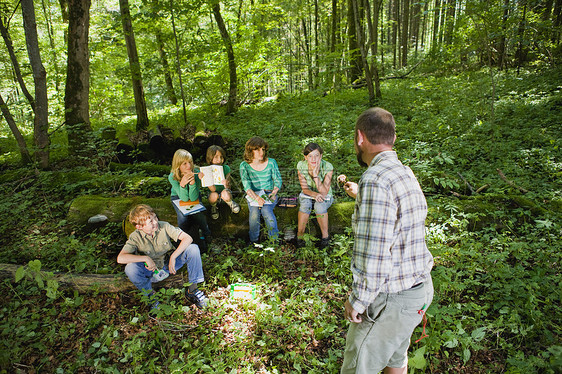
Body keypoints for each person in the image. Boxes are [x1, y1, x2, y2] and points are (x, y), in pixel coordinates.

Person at [340, 108, 434, 374]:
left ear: (360, 137)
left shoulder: (375, 180)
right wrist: (362, 195)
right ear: (392, 137)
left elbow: (375, 256)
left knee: (358, 368)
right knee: (395, 360)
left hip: (392, 300)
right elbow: (399, 220)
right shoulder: (403, 172)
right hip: (419, 291)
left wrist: (357, 300)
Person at [117, 204, 208, 309]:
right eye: (150, 221)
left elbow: (188, 238)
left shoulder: (164, 226)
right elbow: (120, 258)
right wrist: (145, 258)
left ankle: (192, 290)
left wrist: (173, 256)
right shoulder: (135, 237)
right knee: (130, 268)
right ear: (139, 226)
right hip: (152, 271)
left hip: (169, 265)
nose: (155, 222)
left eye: (155, 217)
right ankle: (151, 297)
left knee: (193, 249)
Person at [239, 136, 282, 243]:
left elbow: (278, 180)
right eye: (257, 149)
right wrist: (257, 198)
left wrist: (274, 192)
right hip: (253, 194)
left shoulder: (271, 162)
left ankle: (274, 240)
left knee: (266, 210)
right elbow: (246, 186)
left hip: (268, 193)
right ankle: (253, 241)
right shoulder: (244, 165)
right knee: (254, 214)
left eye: (263, 149)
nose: (261, 152)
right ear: (250, 151)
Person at [168, 149, 212, 253]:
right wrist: (182, 185)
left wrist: (192, 183)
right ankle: (182, 240)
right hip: (178, 197)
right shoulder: (173, 177)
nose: (189, 166)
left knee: (198, 215)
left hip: (194, 196)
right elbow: (183, 198)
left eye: (190, 162)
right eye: (184, 163)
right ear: (178, 165)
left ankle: (207, 234)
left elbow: (193, 198)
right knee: (183, 218)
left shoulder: (196, 172)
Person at [296, 143, 334, 249]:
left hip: (325, 196)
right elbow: (305, 189)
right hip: (309, 194)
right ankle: (300, 236)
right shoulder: (301, 166)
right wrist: (315, 194)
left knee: (319, 205)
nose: (314, 159)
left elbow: (324, 193)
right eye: (310, 156)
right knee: (305, 205)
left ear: (321, 156)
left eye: (317, 155)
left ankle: (325, 238)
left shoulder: (327, 167)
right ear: (305, 157)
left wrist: (316, 176)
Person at [204, 145, 240, 220]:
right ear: (210, 158)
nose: (219, 160)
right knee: (213, 196)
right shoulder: (207, 170)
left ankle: (231, 203)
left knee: (225, 194)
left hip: (224, 191)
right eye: (216, 157)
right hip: (213, 192)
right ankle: (214, 207)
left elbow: (228, 186)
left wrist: (226, 184)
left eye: (221, 157)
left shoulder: (226, 168)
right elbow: (212, 189)